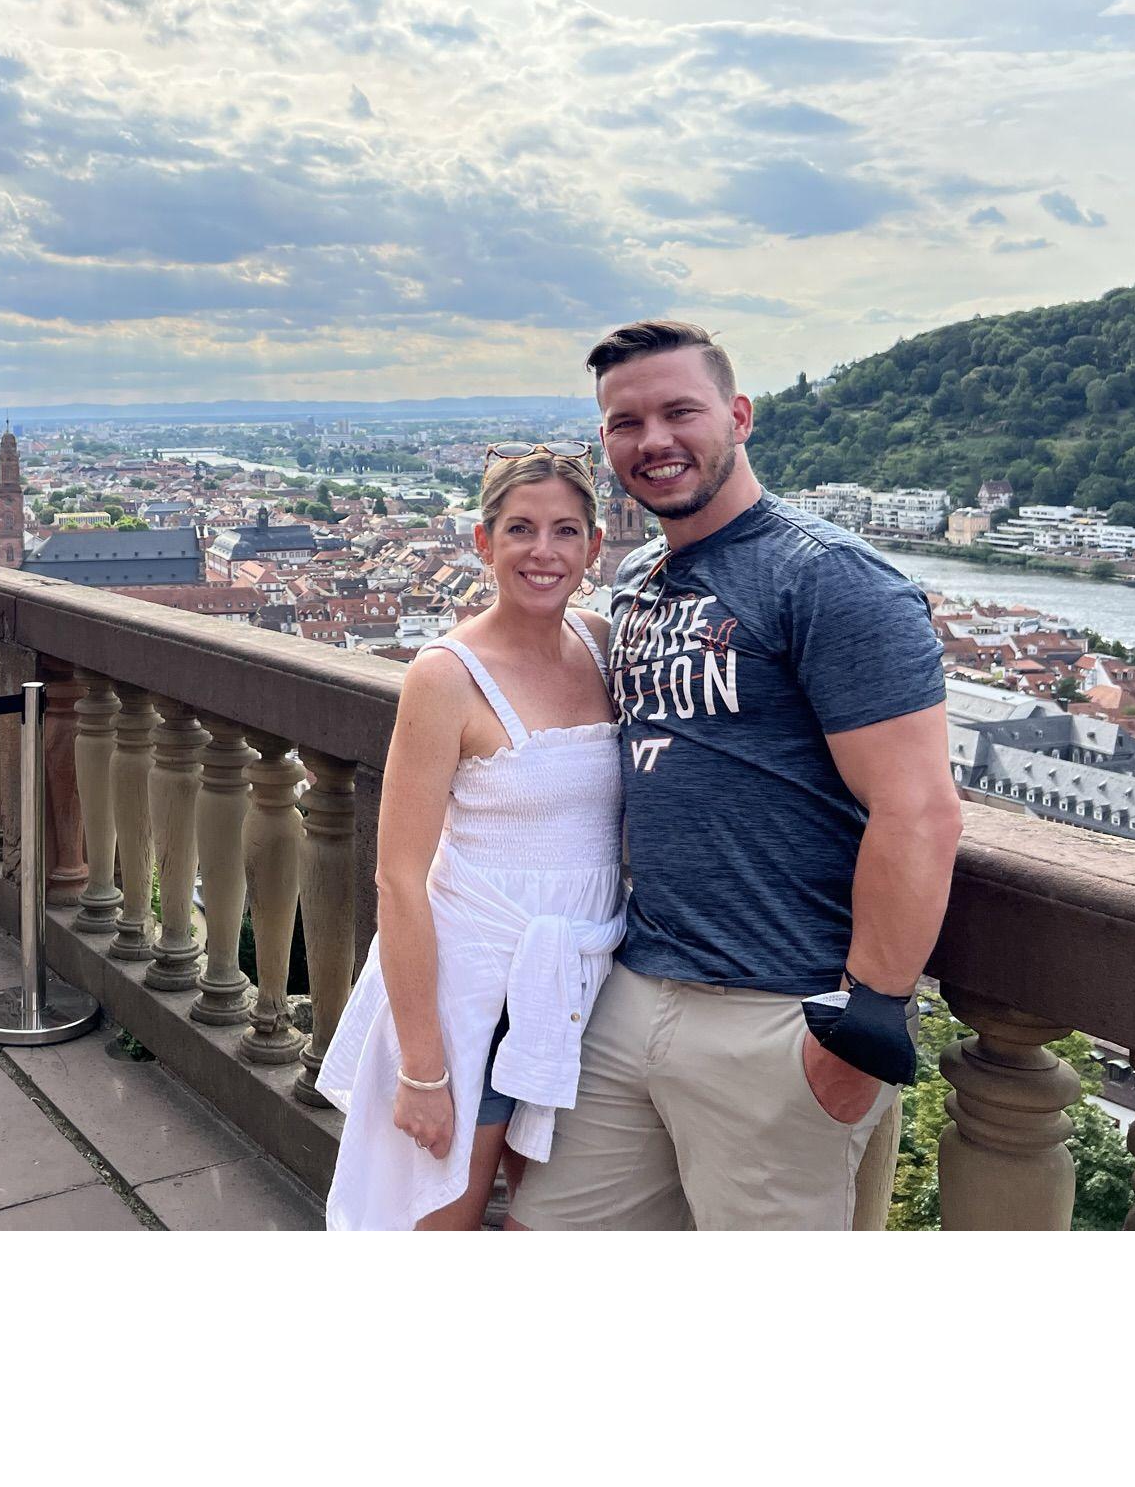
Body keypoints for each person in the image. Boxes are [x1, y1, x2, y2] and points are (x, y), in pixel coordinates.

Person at [509, 319, 962, 1232]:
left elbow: (917, 812)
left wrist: (864, 1024)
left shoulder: (832, 580)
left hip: (777, 1014)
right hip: (631, 985)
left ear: (740, 416)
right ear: (606, 442)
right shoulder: (637, 576)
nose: (655, 441)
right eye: (625, 423)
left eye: (681, 411)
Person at [317, 442, 624, 1230]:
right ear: (483, 542)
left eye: (565, 530)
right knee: (438, 1224)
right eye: (520, 529)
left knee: (545, 1224)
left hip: (578, 985)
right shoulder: (444, 676)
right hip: (470, 994)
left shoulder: (599, 642)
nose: (543, 552)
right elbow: (397, 878)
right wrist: (422, 1067)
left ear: (594, 546)